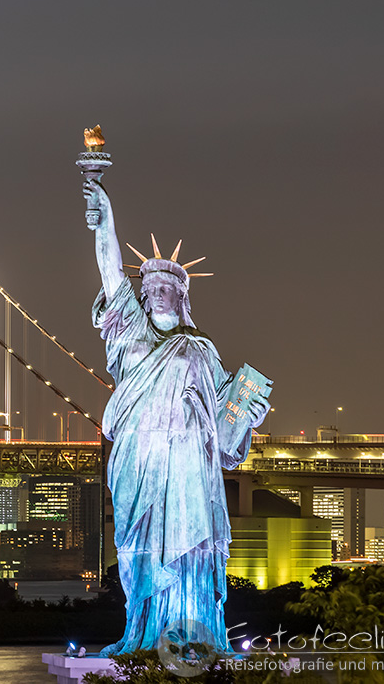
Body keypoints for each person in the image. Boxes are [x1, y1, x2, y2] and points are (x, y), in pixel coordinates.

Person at [84, 176, 267, 656]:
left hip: (188, 462)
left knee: (191, 548)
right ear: (142, 294)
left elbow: (226, 421)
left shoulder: (201, 349)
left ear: (182, 295)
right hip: (141, 458)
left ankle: (192, 637)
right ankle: (143, 633)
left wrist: (250, 411)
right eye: (152, 285)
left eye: (169, 285)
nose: (159, 291)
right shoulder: (129, 334)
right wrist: (104, 216)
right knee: (140, 546)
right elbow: (109, 271)